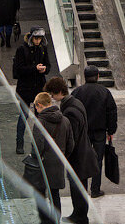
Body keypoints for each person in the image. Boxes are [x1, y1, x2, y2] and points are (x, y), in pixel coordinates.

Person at [44, 77, 99, 224]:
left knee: (77, 188)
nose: (51, 97)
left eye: (52, 94)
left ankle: (80, 217)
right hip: (83, 153)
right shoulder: (75, 102)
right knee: (79, 187)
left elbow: (71, 137)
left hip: (78, 156)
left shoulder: (70, 111)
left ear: (59, 92)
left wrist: (64, 154)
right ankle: (78, 214)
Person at [71, 65, 118, 198]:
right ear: (98, 76)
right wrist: (111, 130)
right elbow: (111, 112)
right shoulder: (104, 92)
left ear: (85, 77)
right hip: (99, 131)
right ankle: (95, 189)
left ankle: (82, 188)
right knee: (97, 160)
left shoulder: (77, 92)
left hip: (82, 132)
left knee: (82, 159)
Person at [31, 92, 74, 224]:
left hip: (44, 164)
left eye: (35, 108)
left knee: (40, 193)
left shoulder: (40, 122)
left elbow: (38, 147)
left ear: (39, 105)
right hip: (58, 163)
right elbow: (71, 144)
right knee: (55, 195)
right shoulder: (65, 120)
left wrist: (35, 158)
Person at [13, 27, 52, 154]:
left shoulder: (42, 48)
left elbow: (48, 65)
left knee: (39, 117)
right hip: (25, 87)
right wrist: (35, 68)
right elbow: (19, 69)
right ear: (30, 37)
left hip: (38, 88)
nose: (38, 40)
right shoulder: (21, 50)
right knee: (23, 116)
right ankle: (20, 144)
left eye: (40, 38)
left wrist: (45, 69)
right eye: (36, 38)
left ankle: (38, 144)